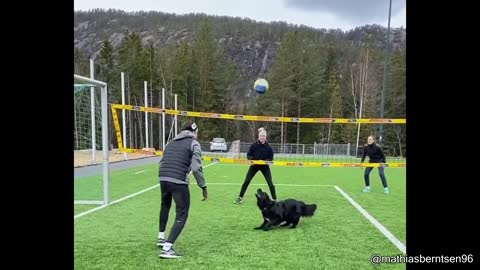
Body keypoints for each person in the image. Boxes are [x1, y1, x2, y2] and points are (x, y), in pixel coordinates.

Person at [157, 122, 208, 259]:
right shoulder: (194, 143)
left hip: (163, 176)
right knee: (182, 214)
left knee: (165, 205)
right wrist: (203, 186)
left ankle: (161, 237)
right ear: (194, 131)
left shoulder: (170, 142)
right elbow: (196, 168)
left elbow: (162, 161)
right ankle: (167, 248)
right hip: (178, 179)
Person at [234, 127, 277, 204]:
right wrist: (250, 159)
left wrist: (267, 161)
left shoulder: (269, 147)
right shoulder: (254, 145)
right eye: (261, 136)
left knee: (270, 183)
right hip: (254, 166)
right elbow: (248, 154)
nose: (262, 137)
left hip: (264, 167)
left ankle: (274, 199)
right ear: (258, 136)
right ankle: (240, 197)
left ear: (265, 137)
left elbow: (271, 158)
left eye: (263, 136)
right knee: (246, 181)